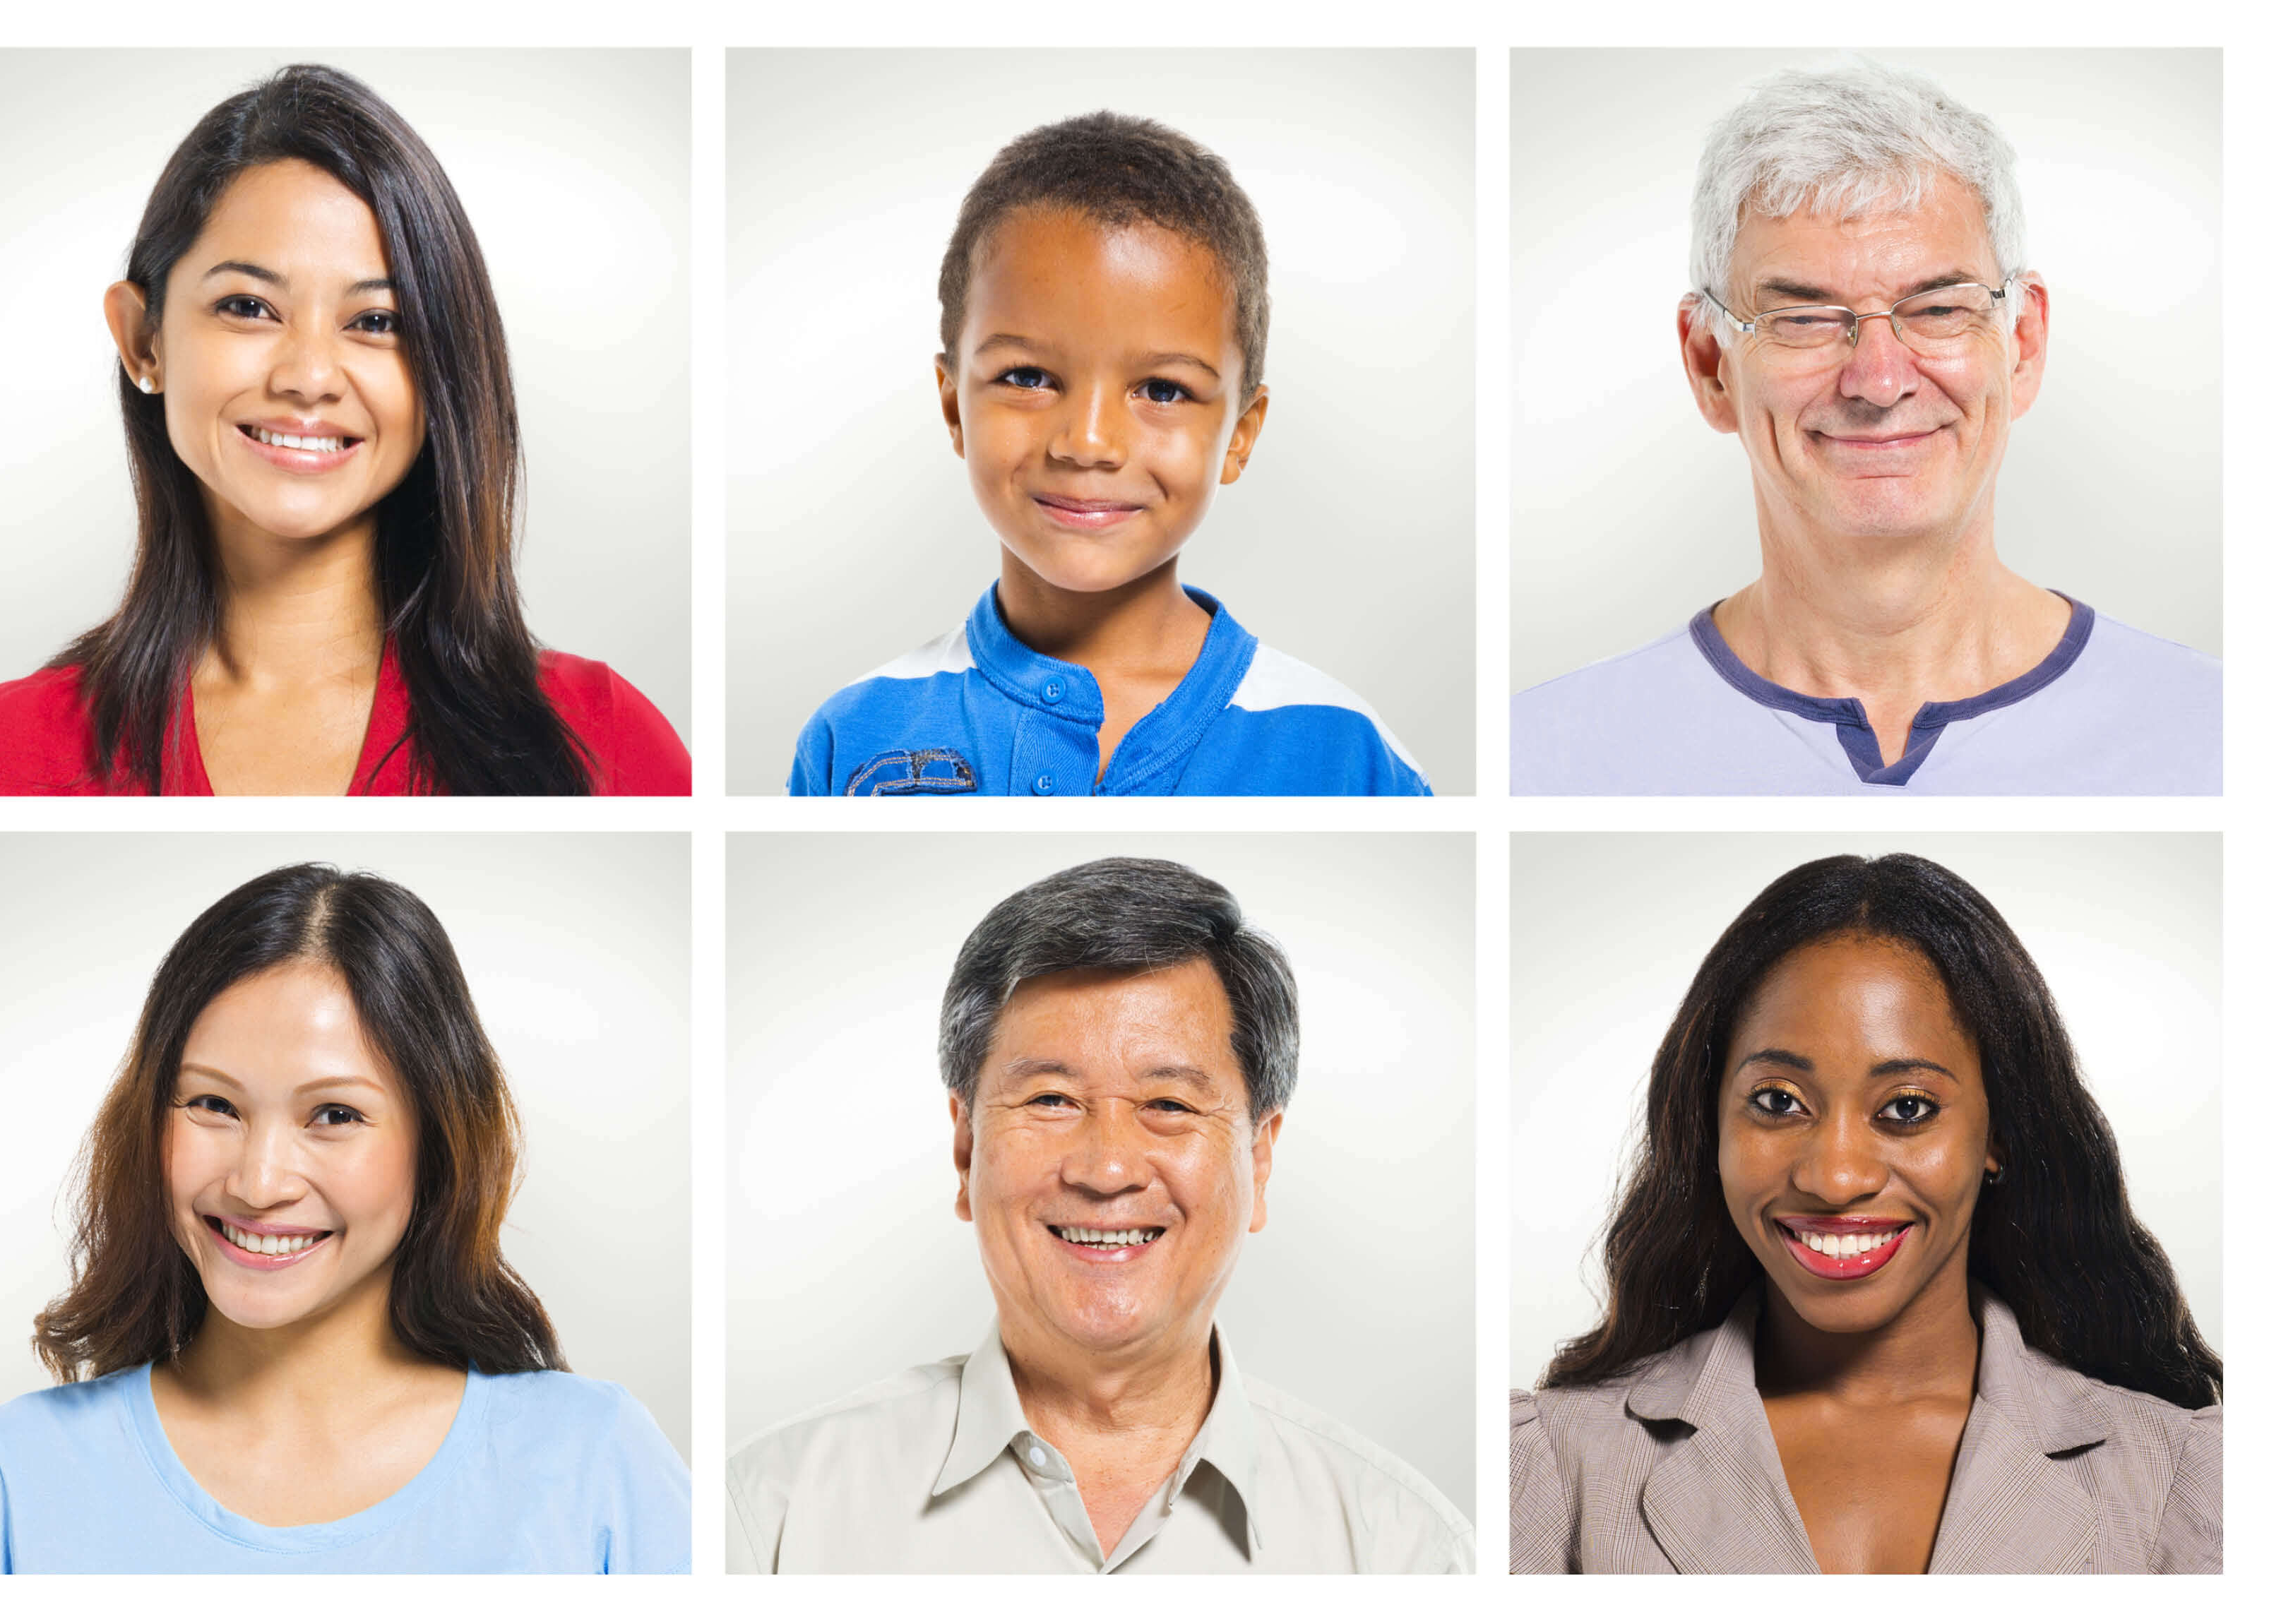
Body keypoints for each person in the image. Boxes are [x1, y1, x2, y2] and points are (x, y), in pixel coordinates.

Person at [0, 66, 689, 796]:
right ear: (143, 339)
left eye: (375, 322)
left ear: (443, 366)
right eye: (247, 306)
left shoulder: (606, 744)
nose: (307, 375)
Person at [729, 857, 1465, 1572]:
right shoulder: (770, 1518)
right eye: (1051, 1098)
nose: (1106, 1169)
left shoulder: (1402, 1553)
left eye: (1167, 1105)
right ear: (964, 1147)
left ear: (1258, 1158)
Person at [0, 865, 687, 1571]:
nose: (258, 1182)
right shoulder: (14, 1477)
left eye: (334, 1113)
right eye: (212, 1104)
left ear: (438, 1141)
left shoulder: (595, 1462)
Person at [1515, 61, 2217, 794]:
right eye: (1802, 319)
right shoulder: (1543, 758)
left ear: (2022, 345)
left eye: (1939, 308)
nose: (1879, 381)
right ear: (1708, 364)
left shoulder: (2219, 735)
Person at [1512, 854, 2220, 1572]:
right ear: (1710, 1124)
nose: (1834, 1176)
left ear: (1996, 1134)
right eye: (1777, 1101)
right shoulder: (1552, 1467)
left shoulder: (2183, 1476)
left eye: (1905, 1108)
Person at [789, 114, 1426, 797]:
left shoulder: (1341, 746)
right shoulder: (852, 731)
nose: (1086, 443)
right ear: (953, 408)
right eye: (1027, 377)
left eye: (1162, 389)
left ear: (1239, 433)